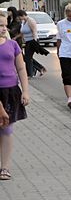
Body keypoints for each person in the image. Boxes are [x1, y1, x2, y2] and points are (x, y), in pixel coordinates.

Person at [0, 12, 29, 181]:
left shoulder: (13, 45)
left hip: (10, 91)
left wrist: (25, 91)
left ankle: (5, 167)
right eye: (0, 26)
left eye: (5, 25)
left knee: (7, 128)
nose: (4, 29)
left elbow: (21, 69)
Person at [18, 10, 41, 78]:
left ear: (22, 15)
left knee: (28, 57)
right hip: (27, 41)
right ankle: (39, 69)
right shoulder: (23, 22)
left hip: (32, 41)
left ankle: (30, 74)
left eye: (20, 17)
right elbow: (22, 32)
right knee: (28, 57)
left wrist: (35, 41)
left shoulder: (30, 21)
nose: (19, 19)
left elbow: (34, 31)